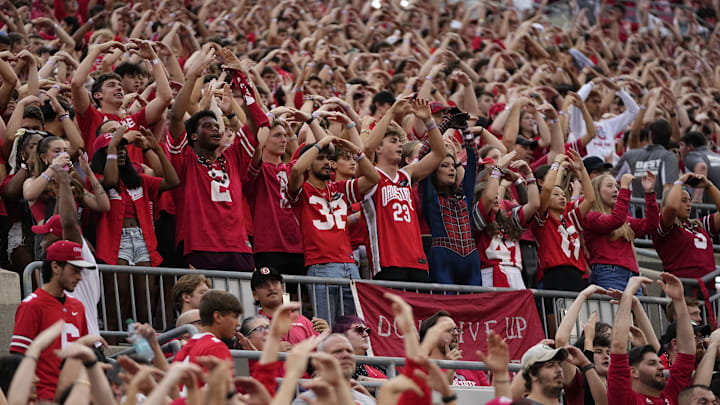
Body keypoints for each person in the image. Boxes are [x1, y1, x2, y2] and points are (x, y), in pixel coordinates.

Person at [288, 133, 379, 322]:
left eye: (328, 159)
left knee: (354, 327)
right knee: (326, 327)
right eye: (319, 158)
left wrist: (356, 151)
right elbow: (296, 170)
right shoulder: (302, 191)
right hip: (321, 266)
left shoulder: (339, 188)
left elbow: (373, 178)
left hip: (350, 266)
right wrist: (321, 143)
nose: (327, 162)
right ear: (309, 162)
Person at [361, 97, 446, 282]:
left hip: (416, 260)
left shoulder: (407, 176)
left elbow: (440, 153)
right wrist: (391, 112)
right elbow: (367, 147)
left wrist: (429, 121)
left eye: (400, 141)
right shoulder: (371, 176)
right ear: (380, 148)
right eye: (393, 141)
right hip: (387, 260)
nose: (400, 144)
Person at [10, 239, 94, 401]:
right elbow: (19, 358)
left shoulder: (78, 306)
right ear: (55, 267)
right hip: (44, 396)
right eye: (74, 270)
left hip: (72, 396)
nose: (79, 277)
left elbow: (83, 353)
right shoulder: (32, 305)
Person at [607, 274, 696, 404]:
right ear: (633, 372)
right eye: (652, 363)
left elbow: (687, 355)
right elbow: (618, 346)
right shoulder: (626, 399)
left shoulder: (670, 396)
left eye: (659, 362)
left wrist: (679, 300)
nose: (661, 367)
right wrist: (628, 294)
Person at [473, 150, 540, 288]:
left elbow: (534, 204)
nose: (496, 197)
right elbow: (489, 197)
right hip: (491, 273)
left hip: (516, 273)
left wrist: (527, 174)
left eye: (498, 194)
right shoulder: (478, 217)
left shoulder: (508, 218)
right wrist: (497, 169)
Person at [532, 150, 594, 294]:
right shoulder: (543, 218)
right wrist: (557, 163)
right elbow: (547, 188)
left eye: (563, 195)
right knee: (557, 316)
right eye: (556, 195)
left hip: (576, 275)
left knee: (578, 316)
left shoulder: (570, 218)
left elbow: (590, 199)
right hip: (554, 274)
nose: (562, 197)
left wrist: (582, 169)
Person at [584, 171, 659, 291]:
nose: (615, 190)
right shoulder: (591, 217)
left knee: (637, 310)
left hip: (631, 275)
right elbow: (615, 220)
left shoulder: (624, 219)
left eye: (616, 186)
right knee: (616, 310)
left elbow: (652, 225)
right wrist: (625, 188)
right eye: (609, 186)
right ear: (596, 192)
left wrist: (649, 193)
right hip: (608, 274)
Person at [653, 173, 720, 289]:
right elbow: (672, 208)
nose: (689, 204)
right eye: (683, 200)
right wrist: (679, 182)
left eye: (689, 200)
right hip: (682, 288)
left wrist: (708, 185)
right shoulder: (666, 226)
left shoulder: (697, 225)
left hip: (707, 288)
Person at [291, 333, 377, 405]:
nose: (346, 355)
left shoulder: (366, 401)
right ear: (320, 361)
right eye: (338, 351)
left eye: (350, 351)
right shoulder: (306, 401)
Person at [251, 267, 328, 343]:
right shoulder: (253, 326)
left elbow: (321, 351)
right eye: (264, 285)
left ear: (282, 288)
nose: (271, 288)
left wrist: (325, 334)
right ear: (255, 295)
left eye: (274, 282)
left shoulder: (303, 321)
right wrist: (274, 351)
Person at [173, 289, 242, 375]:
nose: (238, 323)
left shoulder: (187, 347)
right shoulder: (217, 348)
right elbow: (219, 387)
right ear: (218, 317)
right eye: (235, 317)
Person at [418, 311, 489, 387]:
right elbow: (436, 397)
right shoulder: (420, 370)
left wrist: (499, 372)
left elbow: (493, 397)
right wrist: (450, 369)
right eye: (449, 330)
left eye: (456, 329)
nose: (456, 333)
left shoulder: (473, 369)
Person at [615, 119, 679, 198]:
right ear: (670, 137)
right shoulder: (669, 157)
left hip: (639, 207)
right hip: (654, 208)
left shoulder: (629, 155)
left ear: (650, 135)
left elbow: (610, 179)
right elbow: (669, 189)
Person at [332, 315, 387, 380]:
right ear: (341, 335)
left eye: (367, 330)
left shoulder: (377, 364)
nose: (366, 334)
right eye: (359, 329)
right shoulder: (338, 363)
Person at [681, 131, 720, 203]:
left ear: (690, 147)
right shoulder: (717, 156)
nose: (680, 149)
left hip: (709, 209)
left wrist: (697, 199)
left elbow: (701, 166)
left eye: (682, 145)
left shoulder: (692, 155)